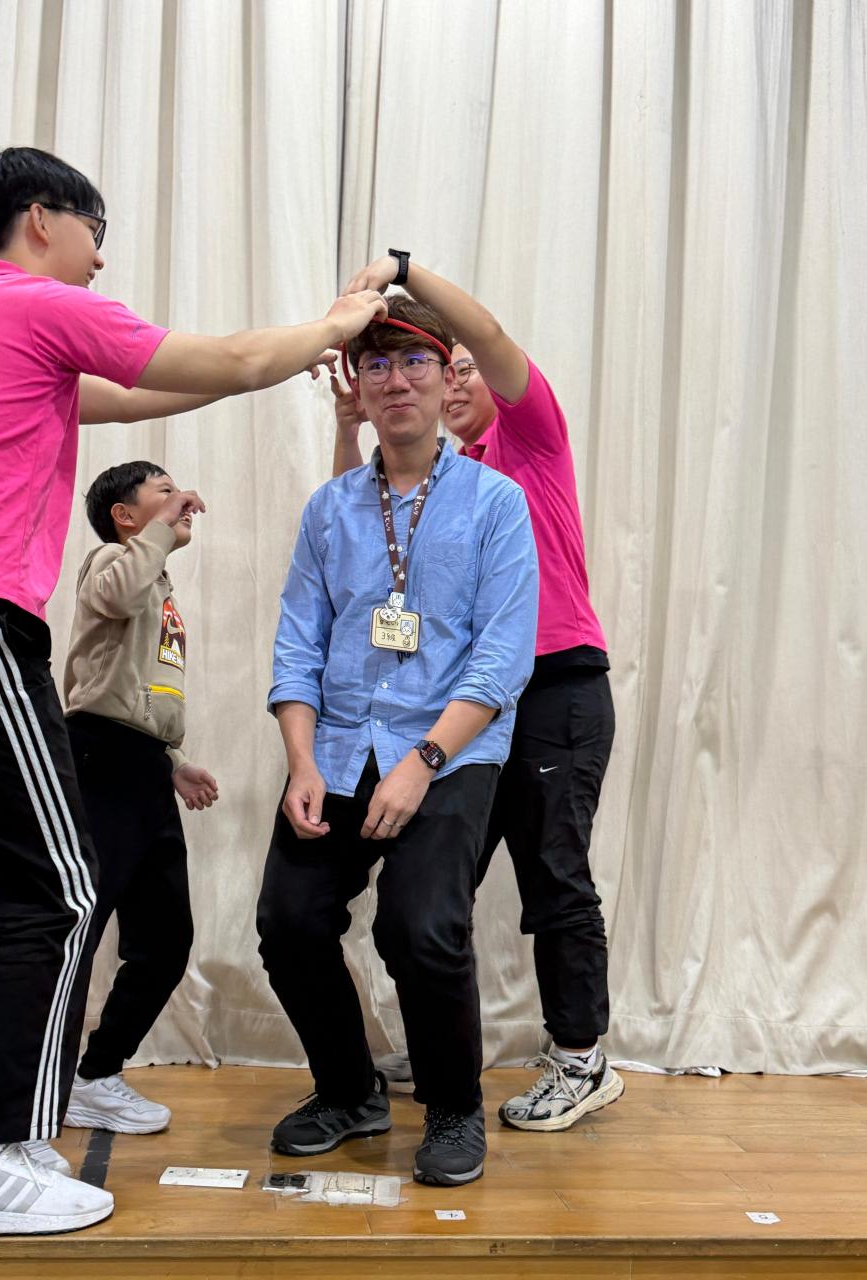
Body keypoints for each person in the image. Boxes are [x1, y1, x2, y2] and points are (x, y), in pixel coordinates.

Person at [0, 145, 385, 1238]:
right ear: (42, 219)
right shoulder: (31, 304)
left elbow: (135, 395)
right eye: (95, 230)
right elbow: (226, 357)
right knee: (58, 889)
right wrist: (338, 323)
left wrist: (288, 356)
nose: (100, 255)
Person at [332, 253, 621, 1133]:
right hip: (462, 709)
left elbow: (487, 336)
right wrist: (350, 423)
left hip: (554, 687)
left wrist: (402, 269)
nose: (453, 382)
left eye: (461, 368)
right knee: (423, 894)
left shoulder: (532, 441)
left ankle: (582, 1059)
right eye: (440, 369)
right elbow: (355, 533)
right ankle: (440, 1044)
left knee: (553, 875)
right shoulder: (442, 482)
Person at [256, 295, 538, 1186]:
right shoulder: (329, 509)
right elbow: (298, 645)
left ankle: (453, 1107)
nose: (396, 381)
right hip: (339, 746)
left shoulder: (497, 503)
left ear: (448, 376)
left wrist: (422, 763)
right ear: (358, 386)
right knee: (288, 923)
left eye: (414, 361)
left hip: (449, 751)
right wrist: (302, 762)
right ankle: (349, 1091)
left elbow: (501, 657)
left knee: (420, 926)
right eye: (375, 364)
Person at [40, 461, 216, 1143]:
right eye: (164, 491)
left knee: (166, 939)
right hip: (99, 761)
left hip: (143, 767)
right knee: (78, 932)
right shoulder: (112, 562)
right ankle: (42, 1085)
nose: (182, 500)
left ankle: (94, 1076)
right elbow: (113, 601)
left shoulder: (158, 584)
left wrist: (171, 762)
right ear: (124, 515)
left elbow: (138, 689)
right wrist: (159, 534)